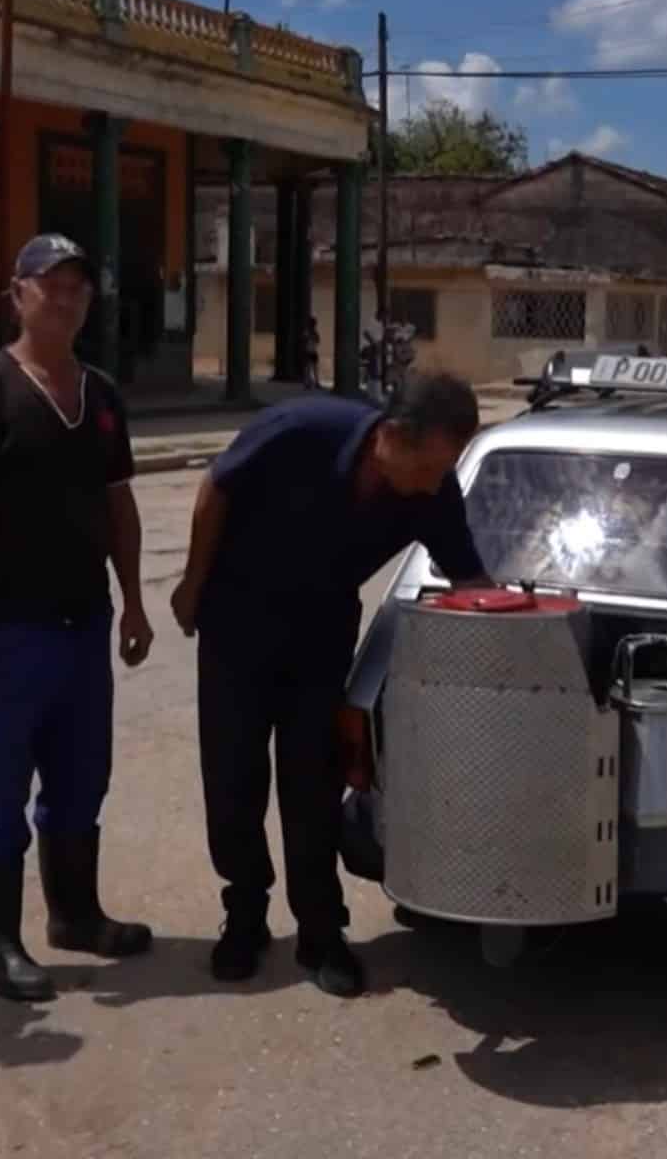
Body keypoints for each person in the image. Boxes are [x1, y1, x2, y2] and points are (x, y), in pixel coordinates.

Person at [169, 373, 490, 998]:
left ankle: (321, 932)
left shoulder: (433, 490)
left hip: (321, 637)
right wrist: (192, 583)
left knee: (313, 783)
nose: (435, 483)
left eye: (444, 469)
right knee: (232, 776)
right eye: (429, 467)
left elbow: (469, 578)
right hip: (238, 625)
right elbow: (217, 488)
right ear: (391, 437)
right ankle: (245, 913)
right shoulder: (300, 430)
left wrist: (523, 624)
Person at [0, 233, 155, 1004]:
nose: (65, 300)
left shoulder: (102, 395)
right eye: (51, 285)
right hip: (9, 629)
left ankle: (76, 916)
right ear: (17, 294)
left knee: (80, 777)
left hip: (84, 624)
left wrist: (133, 600)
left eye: (78, 289)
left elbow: (119, 504)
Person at [300, 314, 321, 390]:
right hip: (309, 351)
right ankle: (308, 383)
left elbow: (317, 341)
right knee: (308, 368)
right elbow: (304, 341)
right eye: (313, 323)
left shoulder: (314, 332)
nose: (314, 325)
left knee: (313, 368)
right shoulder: (308, 332)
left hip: (312, 351)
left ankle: (314, 383)